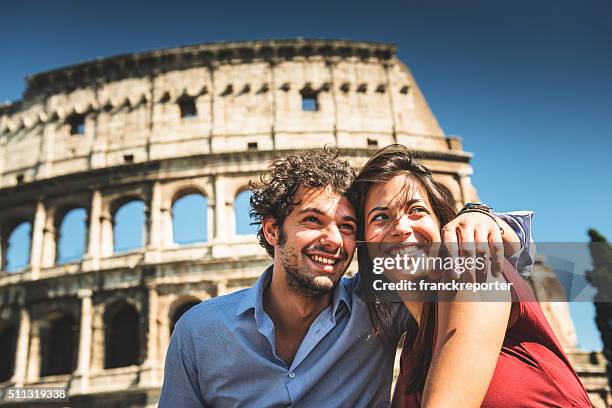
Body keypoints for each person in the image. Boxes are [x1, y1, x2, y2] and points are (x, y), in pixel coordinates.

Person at [158, 147, 533, 407]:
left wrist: (482, 216)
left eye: (348, 226)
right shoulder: (199, 331)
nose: (334, 240)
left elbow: (507, 271)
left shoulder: (380, 305)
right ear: (273, 231)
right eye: (312, 221)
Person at [353, 145, 590, 407]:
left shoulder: (475, 273)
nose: (401, 228)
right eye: (381, 217)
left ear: (444, 225)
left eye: (416, 210)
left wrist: (483, 215)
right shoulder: (411, 347)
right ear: (364, 247)